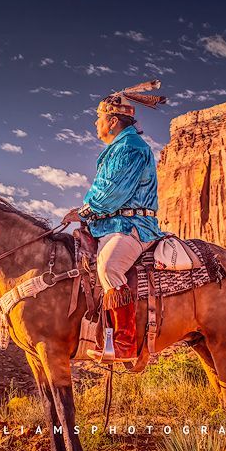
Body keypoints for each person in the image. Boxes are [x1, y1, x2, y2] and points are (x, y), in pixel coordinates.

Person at [62, 86, 165, 367]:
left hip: (132, 226)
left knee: (109, 266)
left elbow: (112, 193)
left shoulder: (130, 148)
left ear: (112, 120)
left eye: (98, 118)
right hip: (111, 225)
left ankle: (124, 343)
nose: (95, 124)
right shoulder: (118, 148)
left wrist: (84, 211)